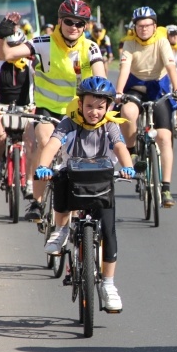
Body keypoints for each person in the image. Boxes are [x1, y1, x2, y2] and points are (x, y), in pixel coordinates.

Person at [0, 0, 106, 221]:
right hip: (47, 110)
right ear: (59, 22)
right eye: (69, 22)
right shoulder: (44, 43)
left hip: (77, 112)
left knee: (81, 156)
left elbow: (101, 76)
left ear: (85, 26)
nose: (74, 27)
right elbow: (5, 55)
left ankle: (74, 205)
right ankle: (36, 202)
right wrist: (1, 36)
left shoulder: (90, 47)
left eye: (79, 23)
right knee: (45, 142)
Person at [36, 76, 135, 311]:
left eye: (100, 107)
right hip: (74, 177)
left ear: (108, 107)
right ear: (79, 104)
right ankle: (60, 231)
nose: (94, 112)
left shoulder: (110, 125)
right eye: (89, 106)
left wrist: (127, 166)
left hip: (101, 180)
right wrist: (43, 165)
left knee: (109, 232)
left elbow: (120, 146)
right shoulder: (68, 123)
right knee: (59, 177)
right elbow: (52, 144)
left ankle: (109, 284)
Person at [115, 6, 177, 208]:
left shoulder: (162, 42)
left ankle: (165, 187)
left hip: (159, 88)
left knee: (164, 137)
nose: (144, 29)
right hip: (135, 86)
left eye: (148, 25)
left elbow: (171, 66)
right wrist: (119, 93)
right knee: (128, 112)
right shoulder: (129, 44)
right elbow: (125, 68)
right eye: (140, 26)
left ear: (155, 26)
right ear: (134, 27)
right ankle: (132, 151)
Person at [0, 30, 36, 192]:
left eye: (18, 46)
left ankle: (30, 181)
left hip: (26, 107)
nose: (14, 50)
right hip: (1, 107)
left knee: (31, 143)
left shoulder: (31, 62)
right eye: (11, 46)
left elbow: (42, 78)